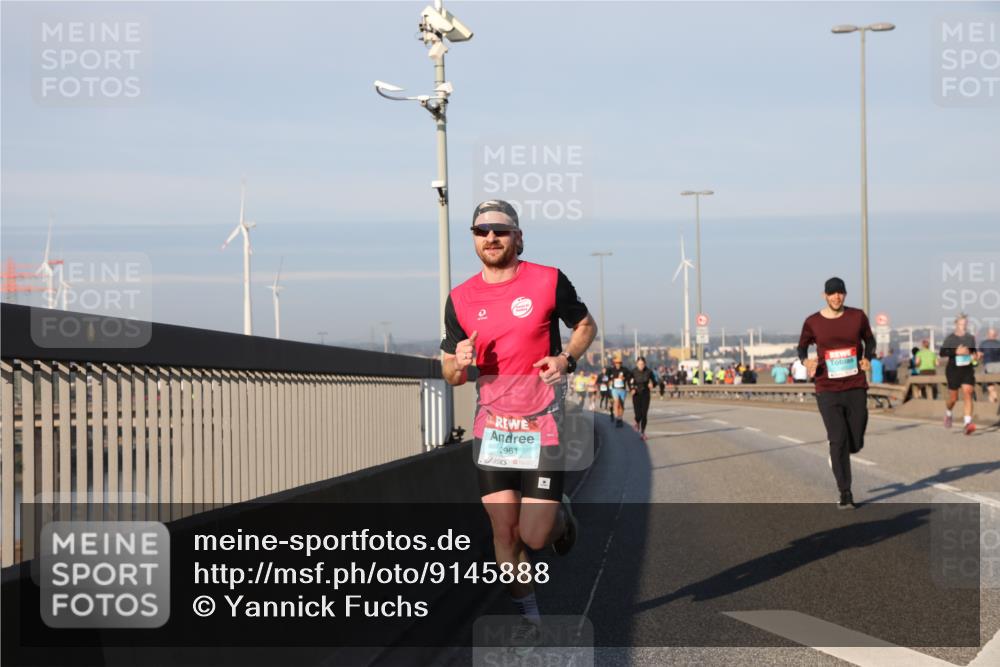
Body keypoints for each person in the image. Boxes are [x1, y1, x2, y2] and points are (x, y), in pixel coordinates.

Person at [440, 199, 597, 643]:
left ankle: (561, 518)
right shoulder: (460, 298)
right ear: (473, 239)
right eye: (481, 231)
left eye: (500, 231)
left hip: (542, 422)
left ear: (518, 237)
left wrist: (566, 358)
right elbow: (450, 374)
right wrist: (460, 362)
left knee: (537, 533)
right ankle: (530, 619)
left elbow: (586, 326)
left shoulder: (547, 280)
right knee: (504, 532)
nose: (491, 238)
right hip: (492, 429)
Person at [797, 277, 876, 509]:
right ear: (825, 296)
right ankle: (845, 492)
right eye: (832, 294)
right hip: (827, 387)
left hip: (855, 384)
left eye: (840, 293)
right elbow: (802, 346)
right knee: (838, 438)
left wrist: (867, 358)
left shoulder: (857, 316)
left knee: (856, 439)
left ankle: (844, 451)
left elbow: (869, 341)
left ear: (845, 295)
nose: (836, 297)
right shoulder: (813, 321)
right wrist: (805, 361)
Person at [940, 314, 978, 435]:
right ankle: (948, 413)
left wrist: (975, 355)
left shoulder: (970, 338)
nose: (964, 326)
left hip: (967, 369)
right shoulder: (950, 338)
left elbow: (973, 351)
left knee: (968, 392)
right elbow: (942, 352)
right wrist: (955, 351)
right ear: (956, 324)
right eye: (961, 324)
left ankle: (967, 423)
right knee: (953, 398)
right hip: (953, 370)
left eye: (965, 324)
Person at [629, 356, 656, 439]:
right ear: (637, 364)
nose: (641, 366)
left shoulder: (649, 372)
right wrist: (632, 389)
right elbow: (629, 381)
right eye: (639, 364)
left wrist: (652, 384)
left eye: (642, 364)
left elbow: (655, 381)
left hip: (645, 393)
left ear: (645, 364)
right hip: (636, 394)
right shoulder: (633, 372)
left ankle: (642, 433)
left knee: (644, 414)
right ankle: (637, 422)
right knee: (638, 414)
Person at [609, 356, 630, 427]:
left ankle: (620, 418)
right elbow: (607, 377)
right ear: (614, 363)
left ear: (621, 363)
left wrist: (624, 378)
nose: (618, 364)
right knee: (616, 403)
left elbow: (630, 376)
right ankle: (617, 418)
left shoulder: (625, 370)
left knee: (621, 405)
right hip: (615, 389)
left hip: (622, 389)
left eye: (619, 363)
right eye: (616, 363)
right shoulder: (611, 370)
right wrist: (610, 381)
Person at [981, 328, 1000, 403]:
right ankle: (995, 403)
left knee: (991, 388)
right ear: (996, 335)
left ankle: (993, 403)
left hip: (988, 367)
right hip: (998, 367)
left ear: (988, 335)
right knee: (997, 388)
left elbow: (979, 355)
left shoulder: (983, 343)